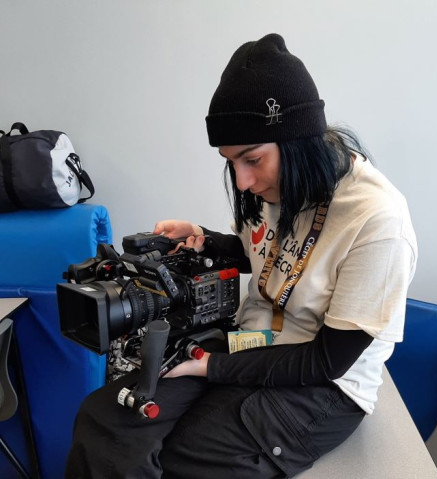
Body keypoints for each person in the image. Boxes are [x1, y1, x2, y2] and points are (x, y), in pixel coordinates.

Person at [65, 33, 417, 478]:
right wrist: (204, 238)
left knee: (178, 456)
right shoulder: (284, 184)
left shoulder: (378, 221)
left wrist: (213, 367)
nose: (243, 181)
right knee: (103, 423)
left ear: (299, 142)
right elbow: (268, 254)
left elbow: (328, 359)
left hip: (322, 383)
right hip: (247, 340)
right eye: (231, 162)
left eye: (252, 159)